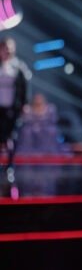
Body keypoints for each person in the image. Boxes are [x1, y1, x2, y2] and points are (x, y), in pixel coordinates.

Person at [0, 36, 30, 172]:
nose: (7, 51)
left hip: (12, 109)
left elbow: (25, 87)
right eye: (4, 48)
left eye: (9, 49)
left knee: (11, 137)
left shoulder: (19, 67)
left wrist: (24, 104)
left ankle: (9, 166)